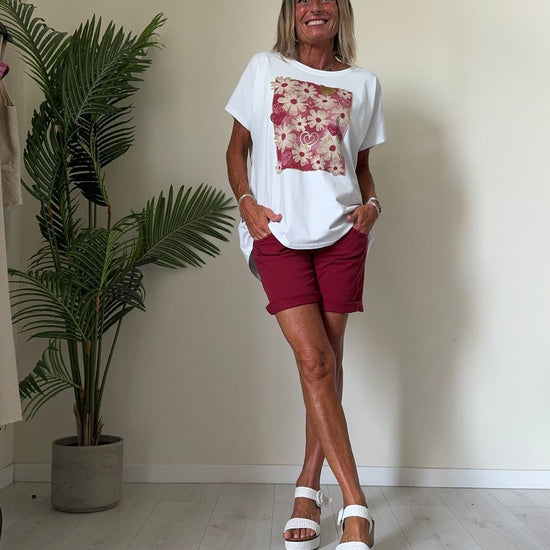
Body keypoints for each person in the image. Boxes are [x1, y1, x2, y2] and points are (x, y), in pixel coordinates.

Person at [225, 1, 385, 548]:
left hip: (343, 234)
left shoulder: (364, 84)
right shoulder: (263, 68)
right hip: (278, 234)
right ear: (291, 12)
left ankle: (307, 491)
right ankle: (357, 506)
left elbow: (361, 167)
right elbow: (236, 149)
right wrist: (246, 201)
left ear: (341, 11)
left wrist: (373, 205)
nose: (314, 6)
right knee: (315, 361)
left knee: (327, 364)